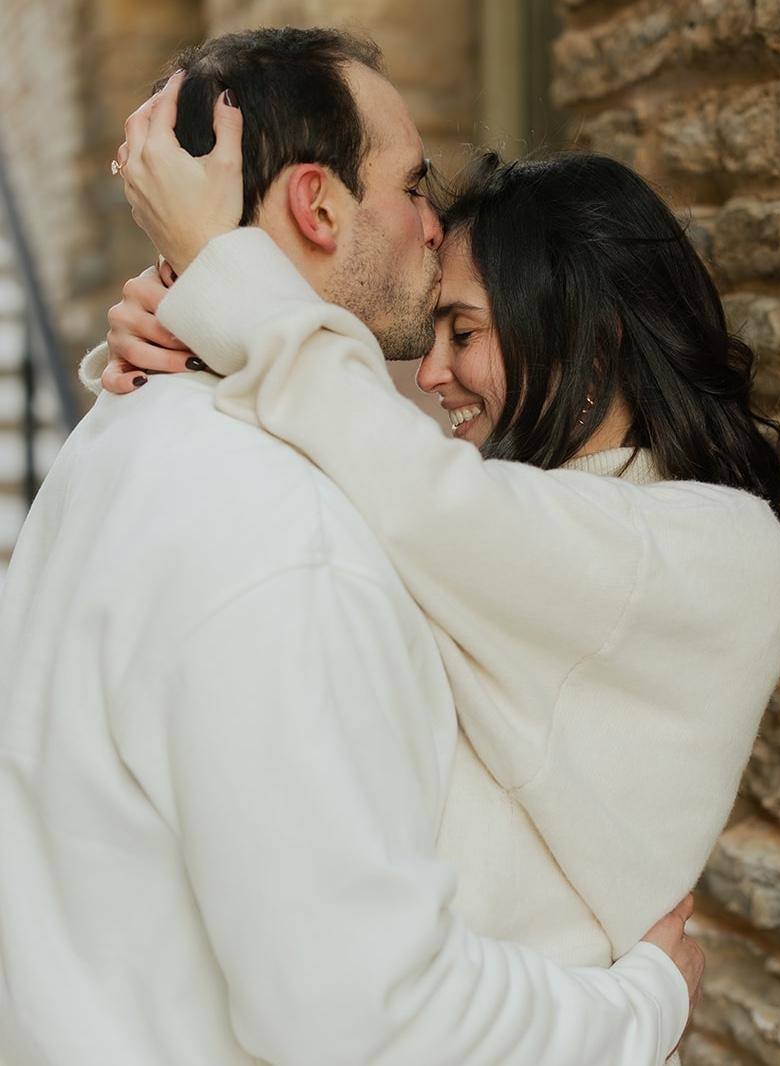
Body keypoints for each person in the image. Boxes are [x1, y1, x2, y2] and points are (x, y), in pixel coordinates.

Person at [0, 29, 703, 1066]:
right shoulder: (282, 534)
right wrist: (641, 1002)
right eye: (414, 184)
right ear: (318, 205)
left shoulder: (123, 430)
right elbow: (370, 1021)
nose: (438, 225)